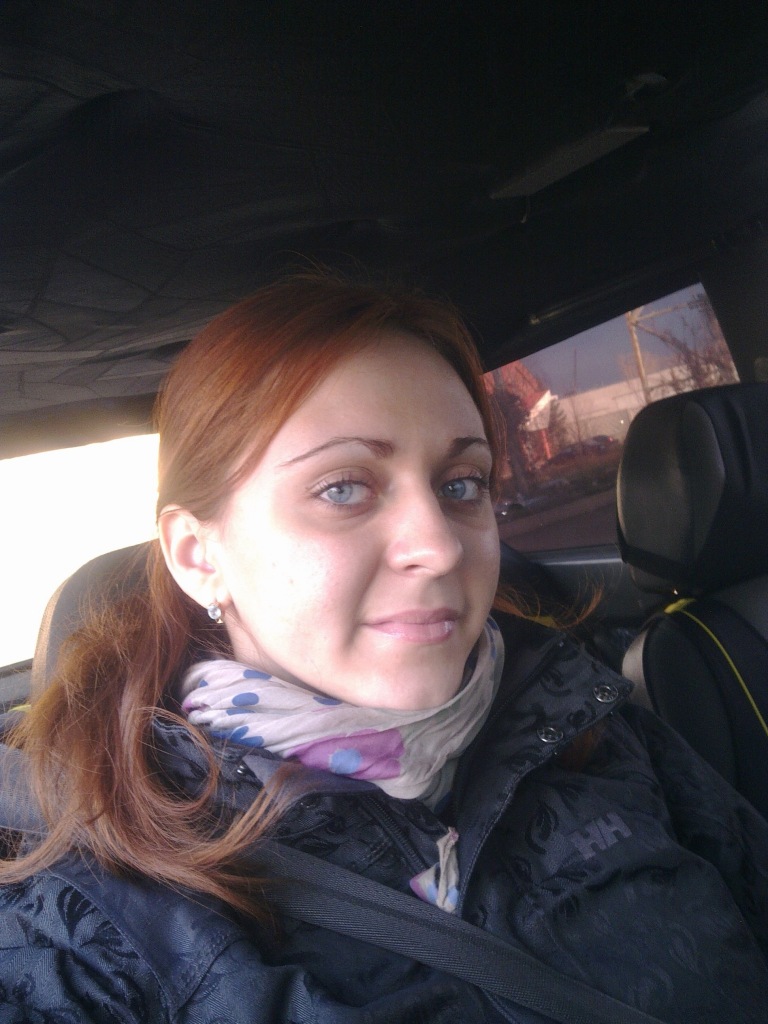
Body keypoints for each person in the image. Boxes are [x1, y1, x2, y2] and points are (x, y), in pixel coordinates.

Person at [0, 275, 766, 1023]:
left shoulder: (595, 728)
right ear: (199, 556)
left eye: (461, 484)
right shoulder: (96, 917)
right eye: (343, 488)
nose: (439, 545)